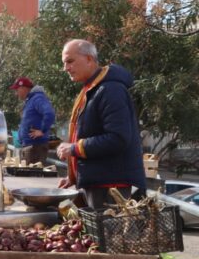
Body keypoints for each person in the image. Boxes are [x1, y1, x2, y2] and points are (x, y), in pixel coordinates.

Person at [56, 40, 146, 206]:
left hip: (110, 187)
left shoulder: (111, 90)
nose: (66, 68)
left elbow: (117, 138)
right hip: (98, 182)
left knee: (108, 232)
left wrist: (74, 148)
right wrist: (74, 175)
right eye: (64, 63)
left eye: (70, 61)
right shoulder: (92, 88)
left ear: (89, 59)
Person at [10, 76, 56, 165]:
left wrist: (42, 131)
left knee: (32, 176)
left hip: (35, 148)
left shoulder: (37, 98)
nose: (16, 93)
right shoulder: (31, 100)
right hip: (30, 147)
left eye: (17, 90)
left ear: (23, 88)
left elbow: (49, 113)